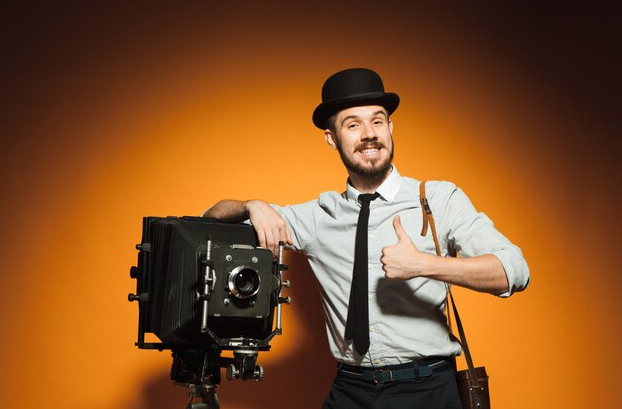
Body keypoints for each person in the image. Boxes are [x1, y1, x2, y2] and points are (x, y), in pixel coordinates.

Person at [203, 68, 530, 409]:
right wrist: (252, 205)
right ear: (332, 138)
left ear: (390, 127)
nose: (369, 134)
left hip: (427, 389)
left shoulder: (435, 199)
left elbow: (514, 271)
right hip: (351, 390)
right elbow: (206, 220)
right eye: (353, 124)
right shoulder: (317, 216)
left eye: (377, 121)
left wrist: (425, 265)